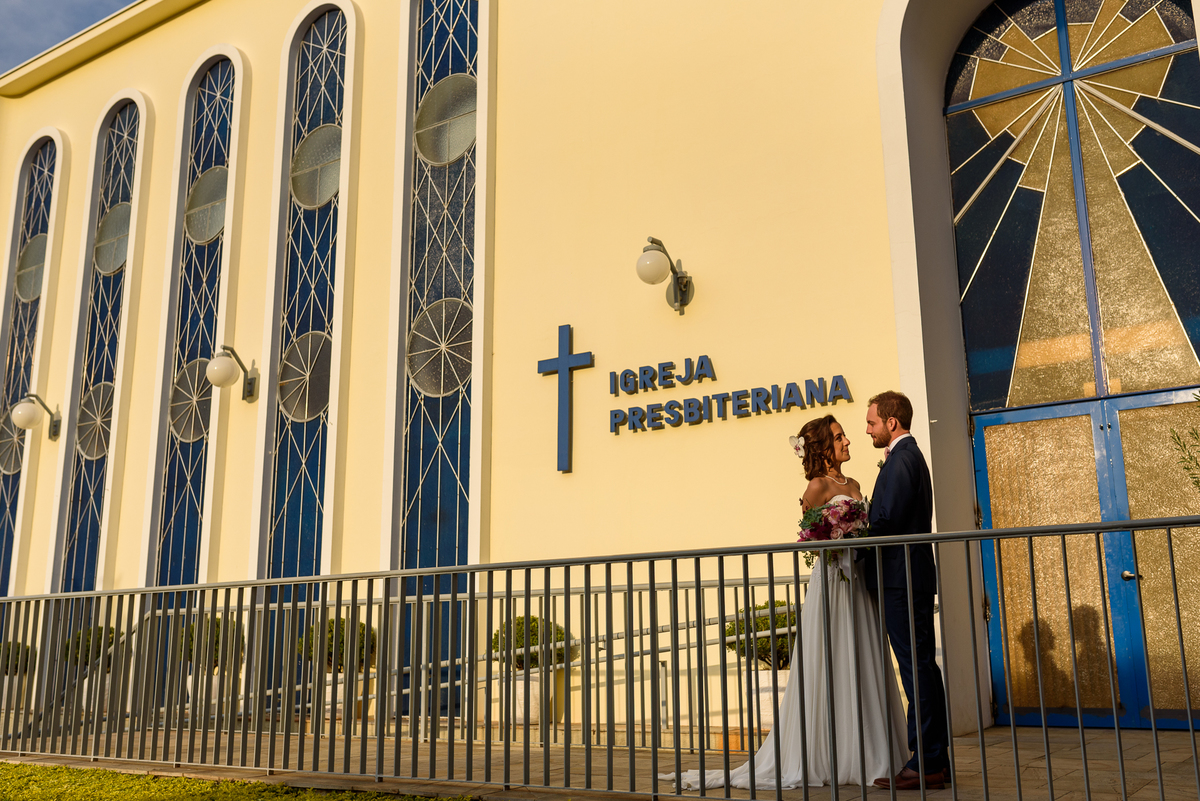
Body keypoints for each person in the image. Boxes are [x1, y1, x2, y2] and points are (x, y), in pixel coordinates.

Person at [663, 414, 906, 790]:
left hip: (858, 583)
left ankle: (869, 747)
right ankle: (828, 750)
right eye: (840, 438)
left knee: (863, 656)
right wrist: (834, 536)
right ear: (825, 447)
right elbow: (810, 534)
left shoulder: (855, 483)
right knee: (830, 659)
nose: (848, 443)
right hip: (832, 582)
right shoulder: (816, 487)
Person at [863, 391, 951, 790]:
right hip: (908, 575)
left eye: (872, 423)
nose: (868, 430)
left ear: (891, 423)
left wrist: (855, 541)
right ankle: (933, 759)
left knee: (916, 670)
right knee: (923, 669)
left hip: (901, 578)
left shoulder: (902, 459)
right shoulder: (906, 457)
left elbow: (887, 522)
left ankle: (926, 763)